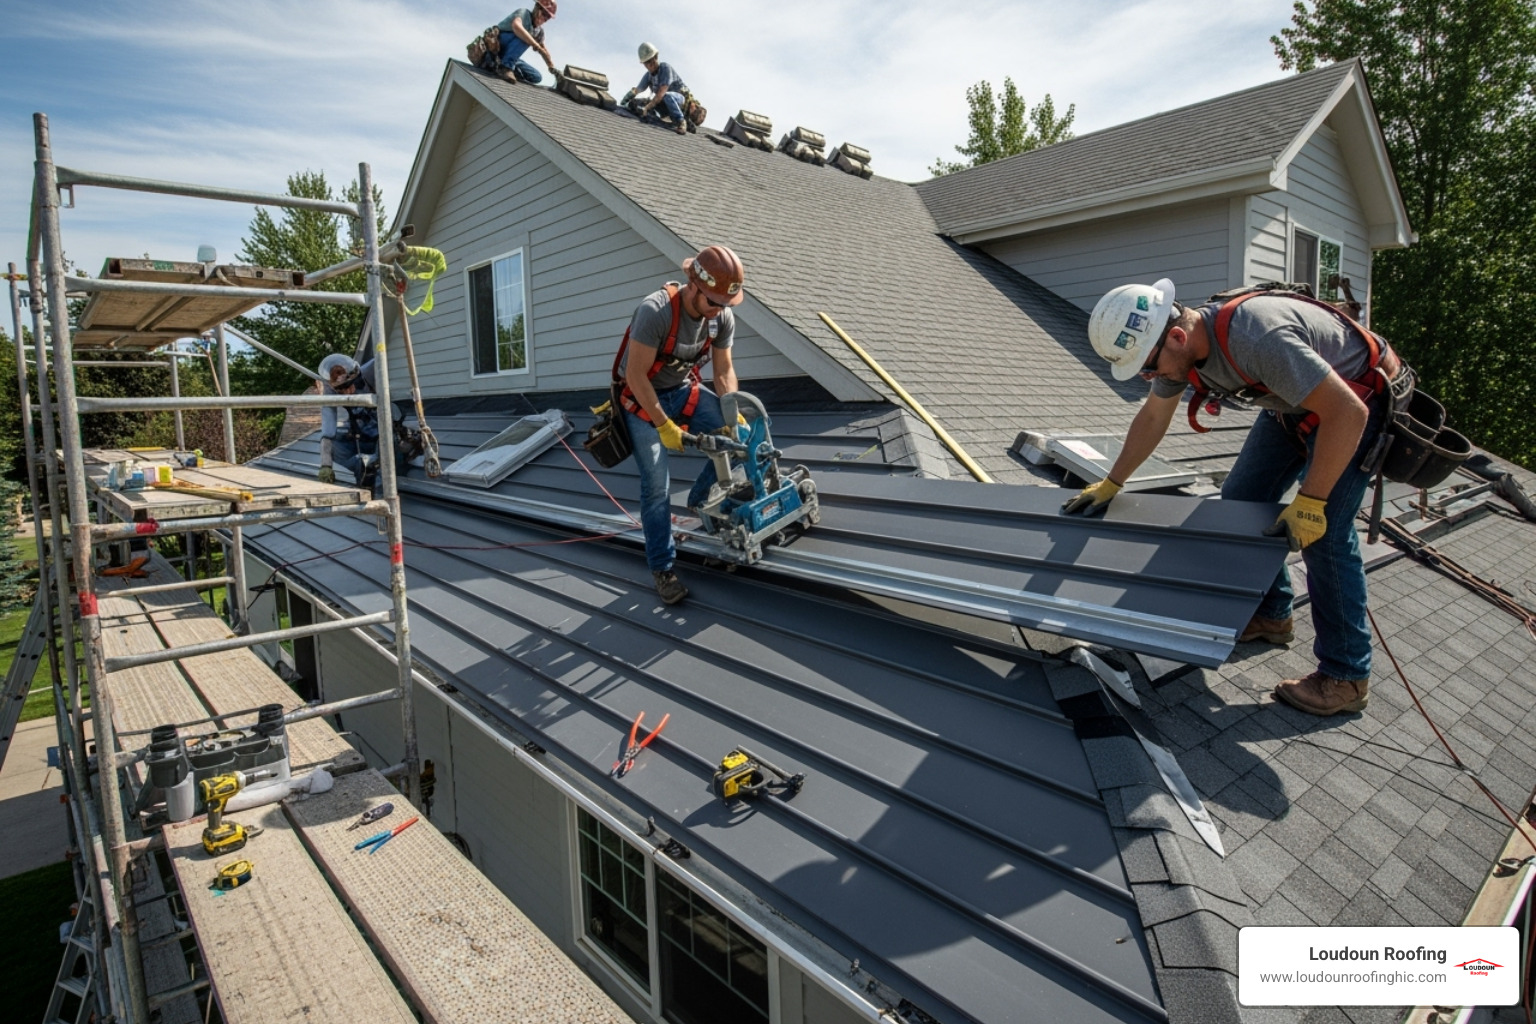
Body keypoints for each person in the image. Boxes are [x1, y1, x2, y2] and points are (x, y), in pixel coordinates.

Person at [1065, 278, 1412, 716]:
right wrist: (1113, 482)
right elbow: (1154, 415)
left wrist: (1312, 500)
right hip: (1293, 396)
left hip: (1355, 400)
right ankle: (1272, 614)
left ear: (1175, 336)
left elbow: (1348, 412)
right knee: (1242, 499)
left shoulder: (1257, 338)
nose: (1152, 379)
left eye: (1150, 369)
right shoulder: (1179, 348)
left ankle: (1346, 676)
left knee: (1324, 533)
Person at [618, 245, 745, 605]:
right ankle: (663, 567)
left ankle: (700, 499)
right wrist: (664, 426)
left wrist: (731, 410)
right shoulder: (654, 311)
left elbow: (722, 371)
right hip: (641, 401)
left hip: (682, 392)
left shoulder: (722, 317)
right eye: (714, 303)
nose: (719, 311)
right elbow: (636, 376)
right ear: (694, 286)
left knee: (739, 442)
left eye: (725, 304)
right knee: (657, 485)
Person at [317, 353, 409, 492]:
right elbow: (328, 426)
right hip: (363, 438)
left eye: (348, 386)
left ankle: (383, 487)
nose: (346, 393)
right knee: (335, 447)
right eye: (341, 390)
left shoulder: (371, 371)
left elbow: (385, 355)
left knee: (387, 445)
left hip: (387, 435)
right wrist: (326, 465)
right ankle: (365, 467)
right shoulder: (331, 390)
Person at [622, 42, 692, 135]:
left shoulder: (665, 68)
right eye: (647, 62)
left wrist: (646, 108)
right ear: (644, 64)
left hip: (679, 100)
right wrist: (625, 101)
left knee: (666, 96)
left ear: (656, 56)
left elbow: (661, 94)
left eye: (652, 59)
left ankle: (681, 121)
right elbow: (638, 89)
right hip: (664, 104)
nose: (651, 64)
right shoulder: (648, 76)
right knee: (639, 103)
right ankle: (666, 117)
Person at [496, 0, 557, 85]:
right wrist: (535, 45)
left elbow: (544, 50)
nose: (545, 19)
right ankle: (505, 68)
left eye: (548, 17)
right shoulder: (524, 13)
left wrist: (551, 67)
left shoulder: (539, 31)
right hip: (498, 44)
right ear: (537, 8)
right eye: (544, 14)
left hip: (509, 55)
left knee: (536, 77)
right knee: (525, 37)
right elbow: (516, 26)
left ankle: (509, 68)